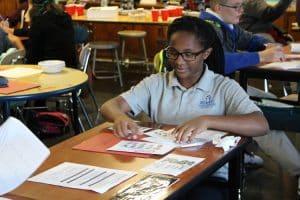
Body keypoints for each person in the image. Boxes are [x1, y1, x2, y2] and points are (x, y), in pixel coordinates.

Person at [101, 16, 269, 199]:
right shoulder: (156, 83)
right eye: (174, 52)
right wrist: (120, 117)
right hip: (160, 172)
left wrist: (208, 120)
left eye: (189, 54)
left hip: (209, 176)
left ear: (206, 53)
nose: (179, 61)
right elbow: (110, 105)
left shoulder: (223, 86)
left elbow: (260, 124)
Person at [200, 0, 300, 195]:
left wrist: (267, 45)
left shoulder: (227, 25)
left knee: (268, 97)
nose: (242, 12)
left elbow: (249, 39)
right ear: (219, 7)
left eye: (242, 6)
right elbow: (219, 61)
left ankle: (242, 151)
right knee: (263, 121)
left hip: (225, 89)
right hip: (210, 96)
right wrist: (260, 57)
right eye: (237, 7)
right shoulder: (208, 28)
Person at [25, 0, 77, 67]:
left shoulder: (38, 20)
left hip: (49, 69)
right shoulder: (66, 17)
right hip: (71, 68)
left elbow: (32, 55)